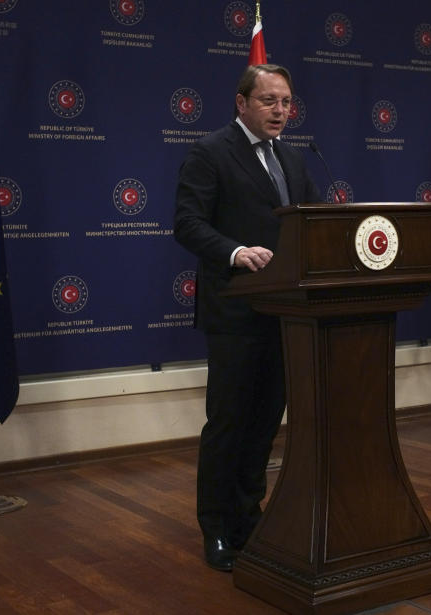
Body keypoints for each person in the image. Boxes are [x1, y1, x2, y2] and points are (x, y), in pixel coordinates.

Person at [174, 63, 320, 570]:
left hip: (285, 313)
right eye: (269, 101)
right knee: (229, 422)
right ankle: (215, 528)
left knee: (263, 424)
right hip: (236, 310)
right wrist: (234, 251)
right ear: (241, 104)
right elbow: (187, 223)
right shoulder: (211, 152)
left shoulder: (295, 159)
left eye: (286, 102)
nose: (281, 111)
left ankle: (247, 514)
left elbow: (313, 225)